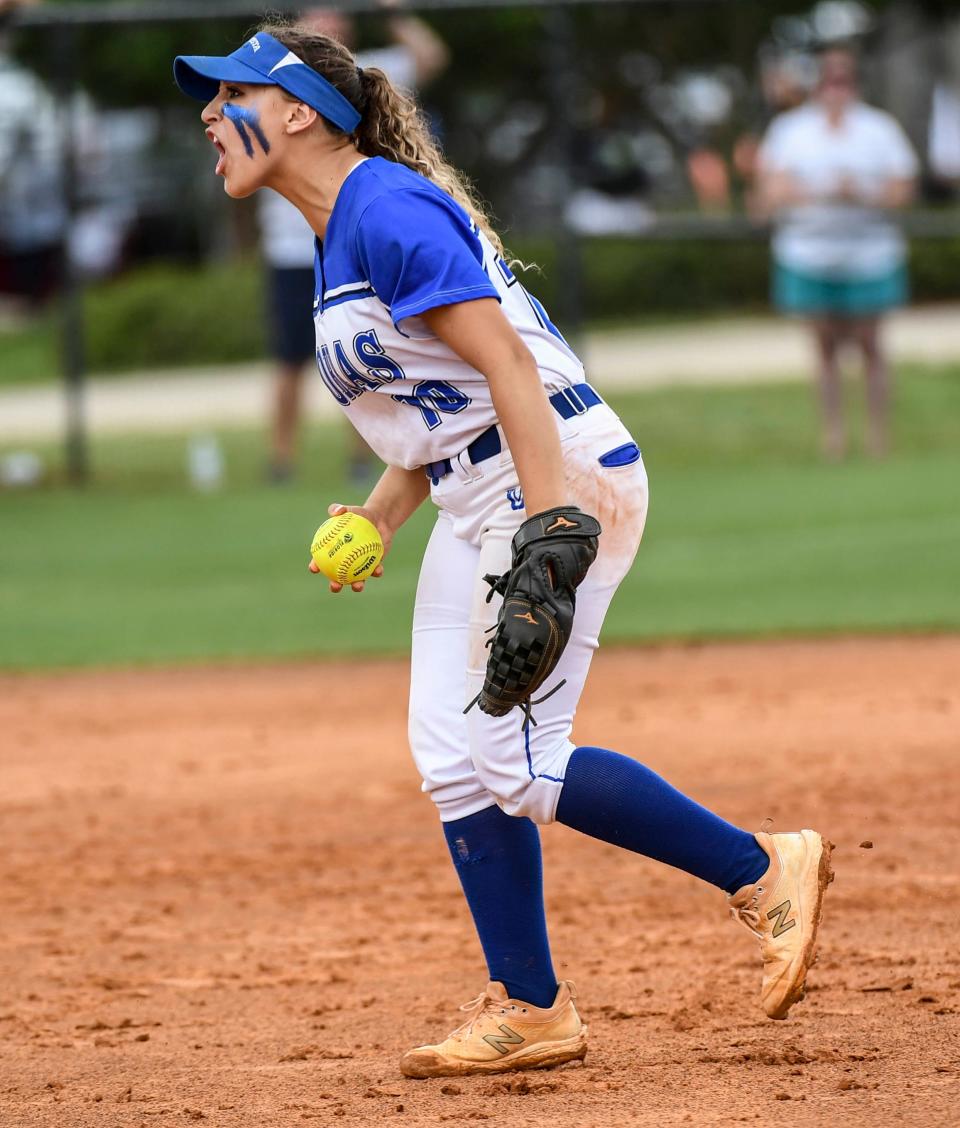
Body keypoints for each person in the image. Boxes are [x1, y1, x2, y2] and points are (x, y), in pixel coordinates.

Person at [173, 25, 834, 1079]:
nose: (209, 115)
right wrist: (384, 515)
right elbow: (450, 403)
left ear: (299, 110)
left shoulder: (384, 208)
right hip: (479, 486)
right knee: (452, 754)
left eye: (230, 95)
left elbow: (512, 377)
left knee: (518, 758)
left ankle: (763, 868)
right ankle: (533, 1011)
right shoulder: (342, 226)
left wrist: (546, 526)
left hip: (556, 475)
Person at [259, 4, 449, 483]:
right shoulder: (276, 88)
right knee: (290, 360)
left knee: (370, 355)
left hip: (354, 241)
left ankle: (369, 458)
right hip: (290, 249)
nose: (332, 33)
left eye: (339, 26)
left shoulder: (365, 78)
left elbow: (431, 57)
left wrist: (394, 11)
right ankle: (282, 460)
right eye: (320, 27)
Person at [757, 47, 918, 459]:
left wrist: (860, 192)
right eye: (829, 81)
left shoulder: (879, 128)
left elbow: (903, 189)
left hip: (870, 254)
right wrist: (814, 192)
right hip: (808, 253)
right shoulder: (790, 130)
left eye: (843, 81)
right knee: (824, 348)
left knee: (871, 343)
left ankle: (878, 435)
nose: (836, 90)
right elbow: (768, 191)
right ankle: (834, 435)